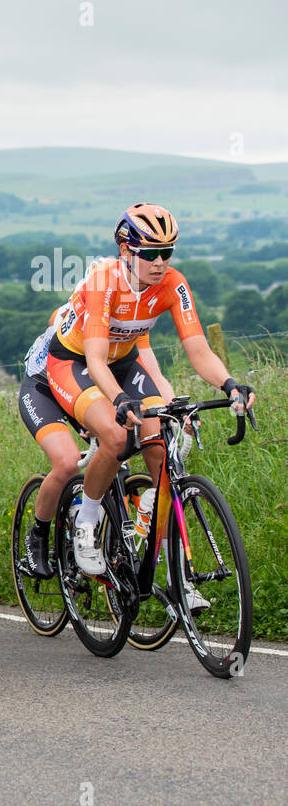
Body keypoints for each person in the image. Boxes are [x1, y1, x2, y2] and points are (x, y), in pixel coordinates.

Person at [41, 203, 256, 576]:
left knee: (160, 446)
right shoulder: (103, 281)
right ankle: (86, 523)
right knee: (114, 435)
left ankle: (174, 572)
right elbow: (94, 361)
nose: (160, 262)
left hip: (123, 362)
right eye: (150, 253)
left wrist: (229, 383)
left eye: (167, 253)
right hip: (73, 361)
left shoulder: (173, 283)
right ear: (125, 251)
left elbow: (198, 348)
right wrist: (120, 400)